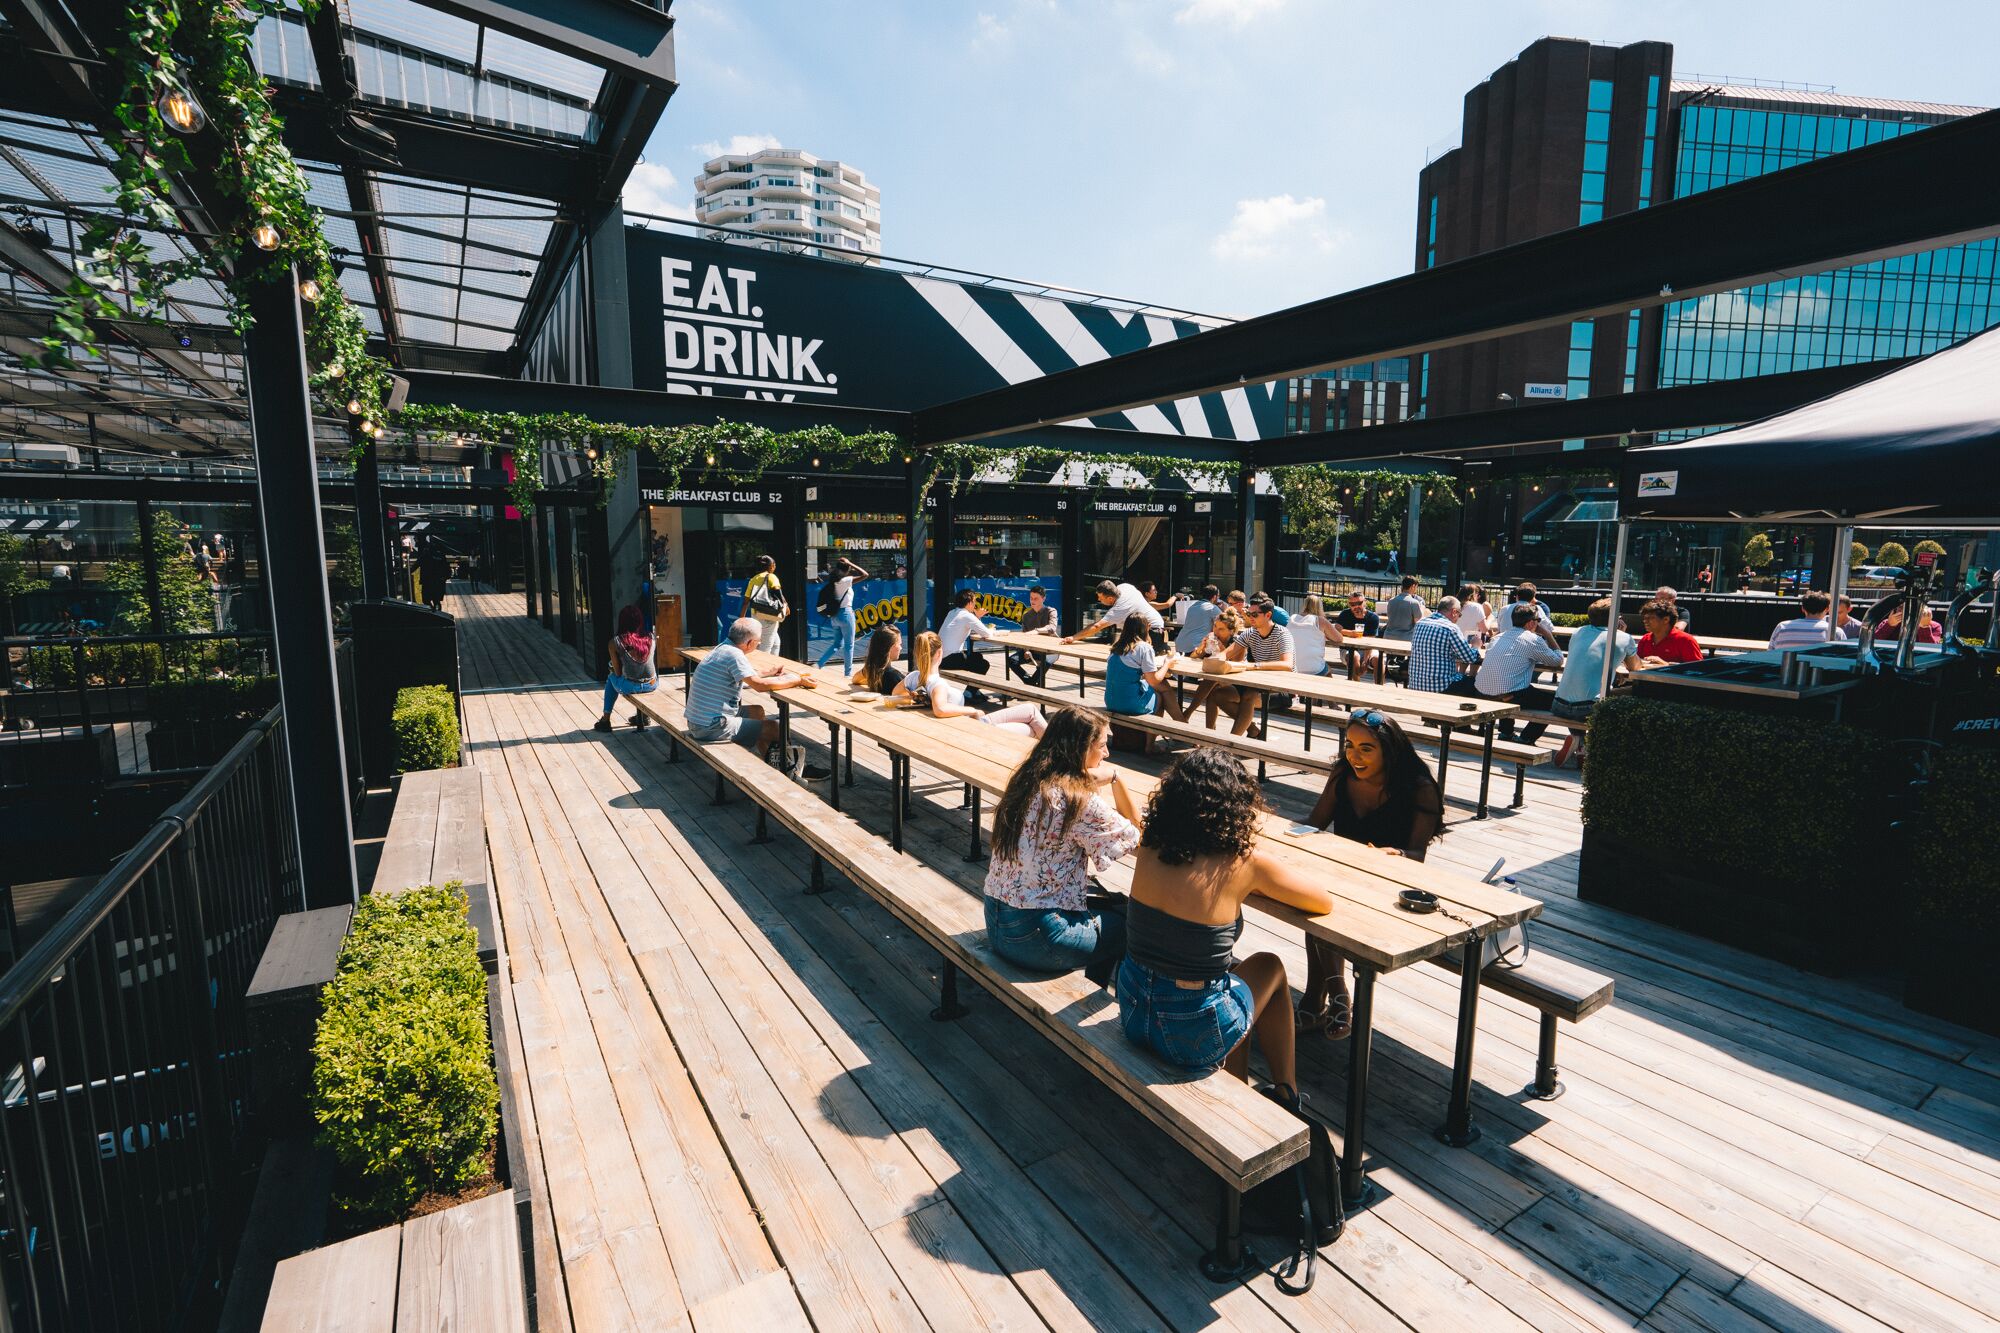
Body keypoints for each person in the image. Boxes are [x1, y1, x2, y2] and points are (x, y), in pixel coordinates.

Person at [1118, 749, 1333, 1092]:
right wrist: (1257, 883)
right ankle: (1288, 1092)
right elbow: (1322, 902)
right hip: (1187, 1034)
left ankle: (1240, 1080)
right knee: (1269, 967)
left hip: (1131, 1010)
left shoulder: (1150, 842)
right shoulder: (1245, 863)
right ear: (1236, 805)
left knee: (1231, 981)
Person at [1298, 710, 1443, 1036]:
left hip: (1390, 884)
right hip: (1342, 873)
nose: (1354, 755)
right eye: (1350, 745)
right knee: (1317, 896)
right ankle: (1333, 996)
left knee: (1321, 903)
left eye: (1366, 748)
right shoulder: (1342, 775)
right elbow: (1314, 822)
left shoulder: (1419, 788)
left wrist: (1397, 854)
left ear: (1389, 750)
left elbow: (1417, 855)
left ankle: (1321, 998)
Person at [983, 708, 1142, 981]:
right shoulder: (1076, 800)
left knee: (1111, 908)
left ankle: (1095, 975)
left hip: (997, 923)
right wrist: (1117, 778)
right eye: (1102, 746)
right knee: (1135, 926)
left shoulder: (1027, 779)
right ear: (1081, 749)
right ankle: (1102, 994)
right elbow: (1137, 837)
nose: (1106, 755)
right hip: (1036, 939)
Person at [687, 617, 805, 759]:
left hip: (698, 721)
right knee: (774, 728)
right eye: (758, 642)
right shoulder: (735, 655)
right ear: (749, 643)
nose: (759, 644)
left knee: (757, 711)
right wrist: (797, 680)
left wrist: (769, 673)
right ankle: (791, 767)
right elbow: (759, 686)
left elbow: (747, 675)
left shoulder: (723, 648)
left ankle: (769, 759)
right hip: (710, 727)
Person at [893, 631, 1047, 737]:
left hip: (965, 727)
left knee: (1030, 714)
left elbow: (895, 693)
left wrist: (920, 698)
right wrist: (971, 710)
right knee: (1032, 721)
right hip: (973, 730)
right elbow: (940, 709)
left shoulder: (914, 677)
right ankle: (1064, 760)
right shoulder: (937, 683)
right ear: (939, 653)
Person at [1553, 599, 1642, 762]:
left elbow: (1590, 657)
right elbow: (1635, 667)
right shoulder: (1623, 637)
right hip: (1588, 708)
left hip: (1559, 705)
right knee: (1632, 694)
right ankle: (1590, 746)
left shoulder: (1578, 632)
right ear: (1615, 618)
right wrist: (1621, 633)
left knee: (1582, 693)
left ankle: (1579, 742)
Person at [1188, 598, 1291, 738]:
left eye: (1254, 615)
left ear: (1268, 615)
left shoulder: (1282, 634)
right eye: (1249, 613)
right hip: (1257, 684)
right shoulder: (1250, 633)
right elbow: (1225, 654)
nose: (1250, 617)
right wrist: (1210, 651)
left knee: (1249, 695)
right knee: (1216, 694)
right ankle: (1250, 731)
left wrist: (1253, 666)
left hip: (1281, 689)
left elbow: (1287, 665)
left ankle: (1230, 745)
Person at [1476, 603, 1565, 742]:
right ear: (1531, 623)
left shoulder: (1497, 637)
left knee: (1509, 682)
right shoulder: (1533, 639)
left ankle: (1506, 732)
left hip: (1483, 691)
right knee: (1555, 703)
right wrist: (1548, 634)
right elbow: (1558, 660)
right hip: (1509, 694)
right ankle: (1526, 737)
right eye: (1538, 621)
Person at [1105, 612, 1191, 724]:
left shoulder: (1116, 647)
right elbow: (1154, 681)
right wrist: (1167, 664)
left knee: (1160, 686)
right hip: (1129, 704)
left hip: (1111, 701)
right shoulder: (1143, 648)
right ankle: (1177, 726)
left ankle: (1181, 724)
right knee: (1160, 695)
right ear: (1146, 628)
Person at [595, 604, 660, 732]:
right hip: (652, 684)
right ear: (640, 621)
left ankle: (605, 720)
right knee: (638, 675)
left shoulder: (615, 642)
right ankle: (643, 716)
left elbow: (618, 673)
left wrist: (613, 667)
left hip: (631, 686)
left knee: (611, 678)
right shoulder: (651, 637)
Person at [1409, 596, 1481, 694]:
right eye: (1459, 615)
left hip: (1416, 684)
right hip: (1441, 686)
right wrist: (1475, 645)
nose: (1458, 619)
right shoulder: (1450, 628)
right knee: (1477, 683)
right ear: (1454, 612)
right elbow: (1470, 658)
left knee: (1462, 676)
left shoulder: (1420, 624)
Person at [815, 555, 869, 674]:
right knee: (849, 645)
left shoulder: (834, 581)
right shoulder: (845, 581)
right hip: (846, 614)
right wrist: (851, 563)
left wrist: (848, 564)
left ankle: (819, 664)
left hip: (835, 616)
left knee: (837, 644)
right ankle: (847, 673)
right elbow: (865, 574)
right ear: (847, 569)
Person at [1067, 578, 1162, 643]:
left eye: (1100, 598)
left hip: (1152, 631)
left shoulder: (1120, 608)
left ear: (1110, 599)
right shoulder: (1125, 586)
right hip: (1152, 626)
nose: (1099, 600)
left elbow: (1097, 626)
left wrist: (1073, 637)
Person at [1007, 585, 1060, 686]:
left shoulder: (1051, 611)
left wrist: (1036, 631)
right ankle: (1030, 682)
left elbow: (1052, 627)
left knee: (1045, 661)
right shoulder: (1026, 616)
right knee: (1011, 660)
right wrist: (1026, 650)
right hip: (1033, 650)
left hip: (1050, 650)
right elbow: (1025, 636)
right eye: (1031, 598)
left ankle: (1031, 684)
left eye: (1036, 598)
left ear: (1043, 598)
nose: (1032, 601)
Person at [742, 555, 788, 652]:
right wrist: (786, 606)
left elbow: (746, 601)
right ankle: (763, 666)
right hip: (769, 614)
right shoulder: (771, 577)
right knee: (766, 645)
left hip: (756, 614)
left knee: (776, 642)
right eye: (774, 564)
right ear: (771, 566)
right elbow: (778, 593)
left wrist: (742, 617)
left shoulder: (754, 579)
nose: (775, 566)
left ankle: (774, 663)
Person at [1635, 598, 1701, 666]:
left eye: (1651, 618)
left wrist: (1665, 664)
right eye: (1645, 618)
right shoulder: (1645, 639)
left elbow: (1697, 668)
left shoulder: (1686, 640)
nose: (1645, 621)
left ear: (1666, 619)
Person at [1768, 591, 1842, 651]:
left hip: (1783, 668)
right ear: (1827, 609)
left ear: (1803, 608)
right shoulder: (1835, 631)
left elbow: (1770, 652)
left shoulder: (1782, 627)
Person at [1336, 591, 1383, 679]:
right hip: (1347, 648)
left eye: (1359, 603)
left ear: (1365, 602)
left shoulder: (1373, 617)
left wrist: (1365, 660)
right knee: (1354, 656)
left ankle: (1379, 689)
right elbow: (1337, 629)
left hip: (1368, 648)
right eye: (1353, 604)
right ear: (1349, 604)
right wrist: (1351, 633)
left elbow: (1370, 642)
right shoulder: (1345, 614)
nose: (1356, 606)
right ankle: (1356, 686)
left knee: (1378, 660)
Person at [1289, 594, 1338, 676]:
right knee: (1328, 670)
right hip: (1314, 669)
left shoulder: (1292, 618)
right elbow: (1338, 638)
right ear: (1319, 606)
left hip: (1292, 667)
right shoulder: (1320, 620)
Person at [852, 625, 907, 695]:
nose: (901, 648)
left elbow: (855, 679)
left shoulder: (871, 670)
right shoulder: (895, 677)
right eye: (899, 644)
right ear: (889, 647)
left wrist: (870, 680)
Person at [1175, 585, 1223, 654]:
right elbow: (1225, 621)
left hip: (1181, 643)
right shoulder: (1212, 608)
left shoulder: (1192, 606)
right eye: (1218, 596)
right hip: (1195, 646)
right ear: (1214, 597)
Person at [1510, 582, 1560, 648]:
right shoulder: (1537, 608)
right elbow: (1549, 628)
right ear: (1533, 596)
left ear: (1517, 596)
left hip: (1505, 645)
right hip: (1528, 645)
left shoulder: (1504, 609)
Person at [1876, 599, 1944, 644]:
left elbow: (1930, 649)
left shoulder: (1934, 626)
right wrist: (1889, 625)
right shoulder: (1887, 622)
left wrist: (1924, 626)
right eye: (1900, 607)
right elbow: (1875, 642)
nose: (1905, 610)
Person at [1383, 576, 1426, 641]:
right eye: (1416, 587)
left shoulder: (1391, 601)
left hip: (1388, 637)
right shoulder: (1414, 602)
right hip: (1405, 639)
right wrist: (1422, 609)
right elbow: (1419, 622)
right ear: (1413, 586)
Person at [1456, 584, 1497, 649]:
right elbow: (1484, 629)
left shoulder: (1455, 605)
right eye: (1477, 594)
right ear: (1472, 595)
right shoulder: (1476, 607)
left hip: (1454, 643)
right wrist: (1490, 618)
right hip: (1468, 645)